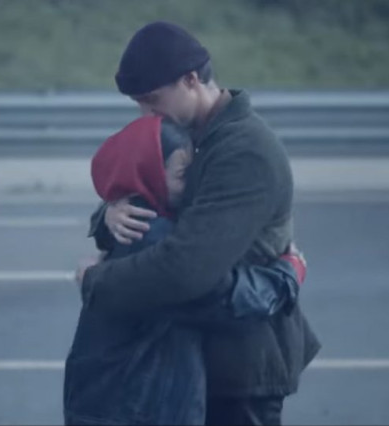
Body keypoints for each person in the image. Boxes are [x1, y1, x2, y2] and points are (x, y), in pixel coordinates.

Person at [76, 21, 321, 425]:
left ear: (191, 80)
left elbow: (184, 269)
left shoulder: (244, 149)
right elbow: (143, 190)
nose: (147, 114)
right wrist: (109, 215)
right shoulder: (193, 135)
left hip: (242, 367)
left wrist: (95, 282)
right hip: (195, 365)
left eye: (152, 99)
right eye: (139, 103)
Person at [65, 115, 306, 425]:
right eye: (182, 174)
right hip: (135, 411)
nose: (193, 184)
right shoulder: (149, 234)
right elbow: (218, 299)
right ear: (150, 174)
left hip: (118, 405)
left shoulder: (137, 217)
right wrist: (288, 274)